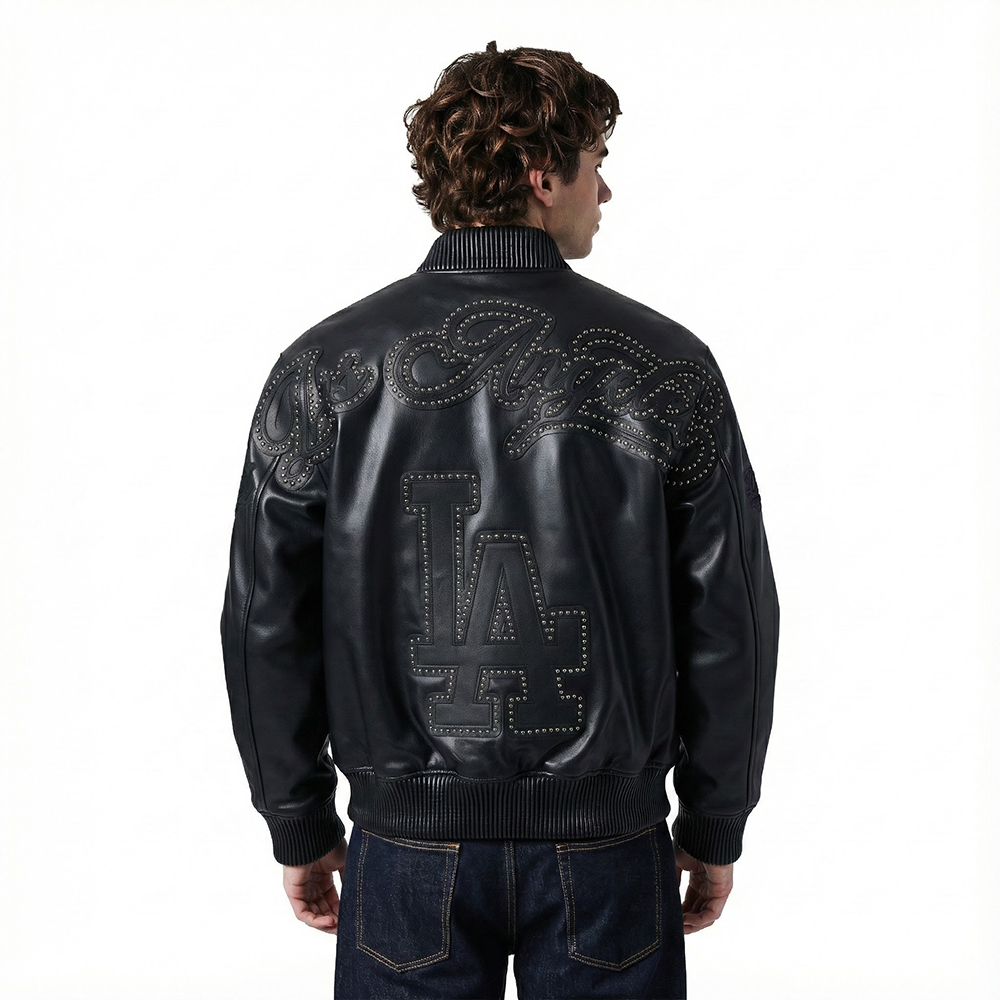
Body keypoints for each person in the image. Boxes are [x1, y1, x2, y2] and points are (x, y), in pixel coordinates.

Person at [220, 40, 779, 1000]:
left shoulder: (325, 367)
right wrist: (713, 820)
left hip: (407, 848)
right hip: (609, 848)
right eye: (597, 164)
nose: (606, 192)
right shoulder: (666, 365)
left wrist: (299, 820)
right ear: (540, 174)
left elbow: (264, 618)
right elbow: (732, 617)